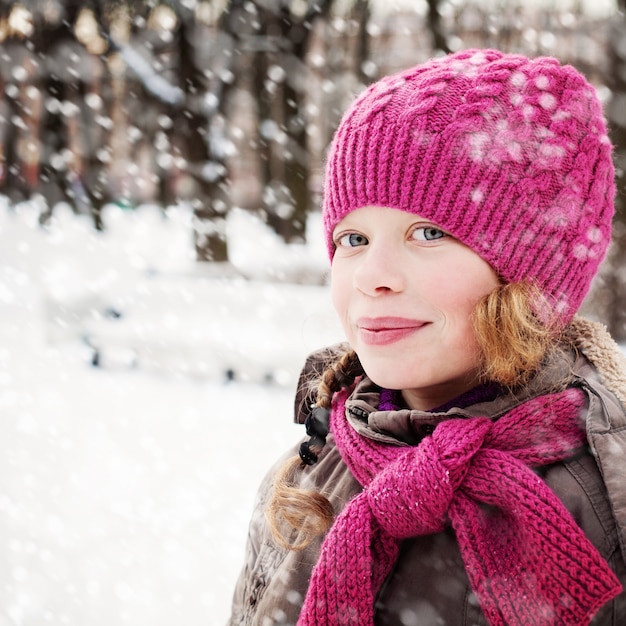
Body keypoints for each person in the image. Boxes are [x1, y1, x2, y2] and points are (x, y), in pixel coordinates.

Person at [227, 48, 626, 626]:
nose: (373, 277)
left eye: (428, 232)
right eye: (353, 240)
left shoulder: (605, 494)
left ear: (529, 274)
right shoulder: (307, 479)